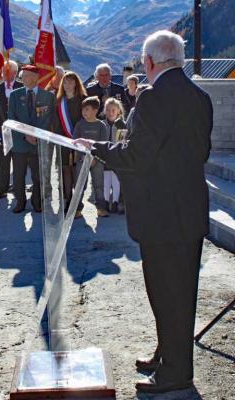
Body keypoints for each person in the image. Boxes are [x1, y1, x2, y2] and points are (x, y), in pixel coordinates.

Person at [74, 30, 213, 394]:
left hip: (162, 215)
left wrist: (99, 148)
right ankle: (168, 354)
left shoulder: (152, 98)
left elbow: (137, 154)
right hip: (188, 211)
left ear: (150, 62)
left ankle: (176, 373)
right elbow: (199, 152)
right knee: (179, 292)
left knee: (167, 293)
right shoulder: (200, 96)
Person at [8, 64, 55, 213]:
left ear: (36, 78)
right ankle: (20, 202)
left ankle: (37, 202)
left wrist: (35, 135)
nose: (24, 78)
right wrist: (25, 135)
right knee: (18, 175)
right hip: (20, 143)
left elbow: (48, 119)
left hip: (38, 142)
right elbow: (11, 118)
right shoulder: (15, 95)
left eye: (27, 75)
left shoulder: (48, 96)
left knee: (38, 176)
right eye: (23, 75)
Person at [0, 60, 23, 200]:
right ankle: (2, 189)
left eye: (7, 71)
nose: (4, 74)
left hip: (19, 133)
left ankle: (17, 189)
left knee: (19, 163)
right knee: (3, 163)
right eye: (3, 72)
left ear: (15, 73)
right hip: (2, 132)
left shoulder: (22, 87)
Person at [54, 70, 87, 212]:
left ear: (76, 83)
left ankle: (78, 201)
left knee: (77, 171)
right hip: (63, 141)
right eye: (65, 82)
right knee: (66, 170)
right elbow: (55, 122)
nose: (68, 85)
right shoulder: (58, 101)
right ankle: (68, 199)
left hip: (79, 141)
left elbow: (86, 120)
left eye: (71, 82)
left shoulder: (83, 99)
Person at [73, 96, 108, 219]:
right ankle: (77, 209)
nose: (84, 112)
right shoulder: (79, 125)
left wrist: (94, 158)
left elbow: (103, 144)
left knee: (98, 185)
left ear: (95, 110)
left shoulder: (101, 125)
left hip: (97, 161)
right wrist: (83, 157)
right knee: (80, 185)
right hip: (82, 160)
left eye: (87, 109)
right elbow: (75, 142)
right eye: (83, 109)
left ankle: (101, 208)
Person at [102, 97, 126, 214]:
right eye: (108, 110)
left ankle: (115, 202)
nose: (110, 113)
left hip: (117, 156)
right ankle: (106, 201)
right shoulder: (102, 124)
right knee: (106, 180)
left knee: (116, 180)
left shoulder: (122, 124)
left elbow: (124, 140)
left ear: (118, 111)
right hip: (105, 157)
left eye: (113, 110)